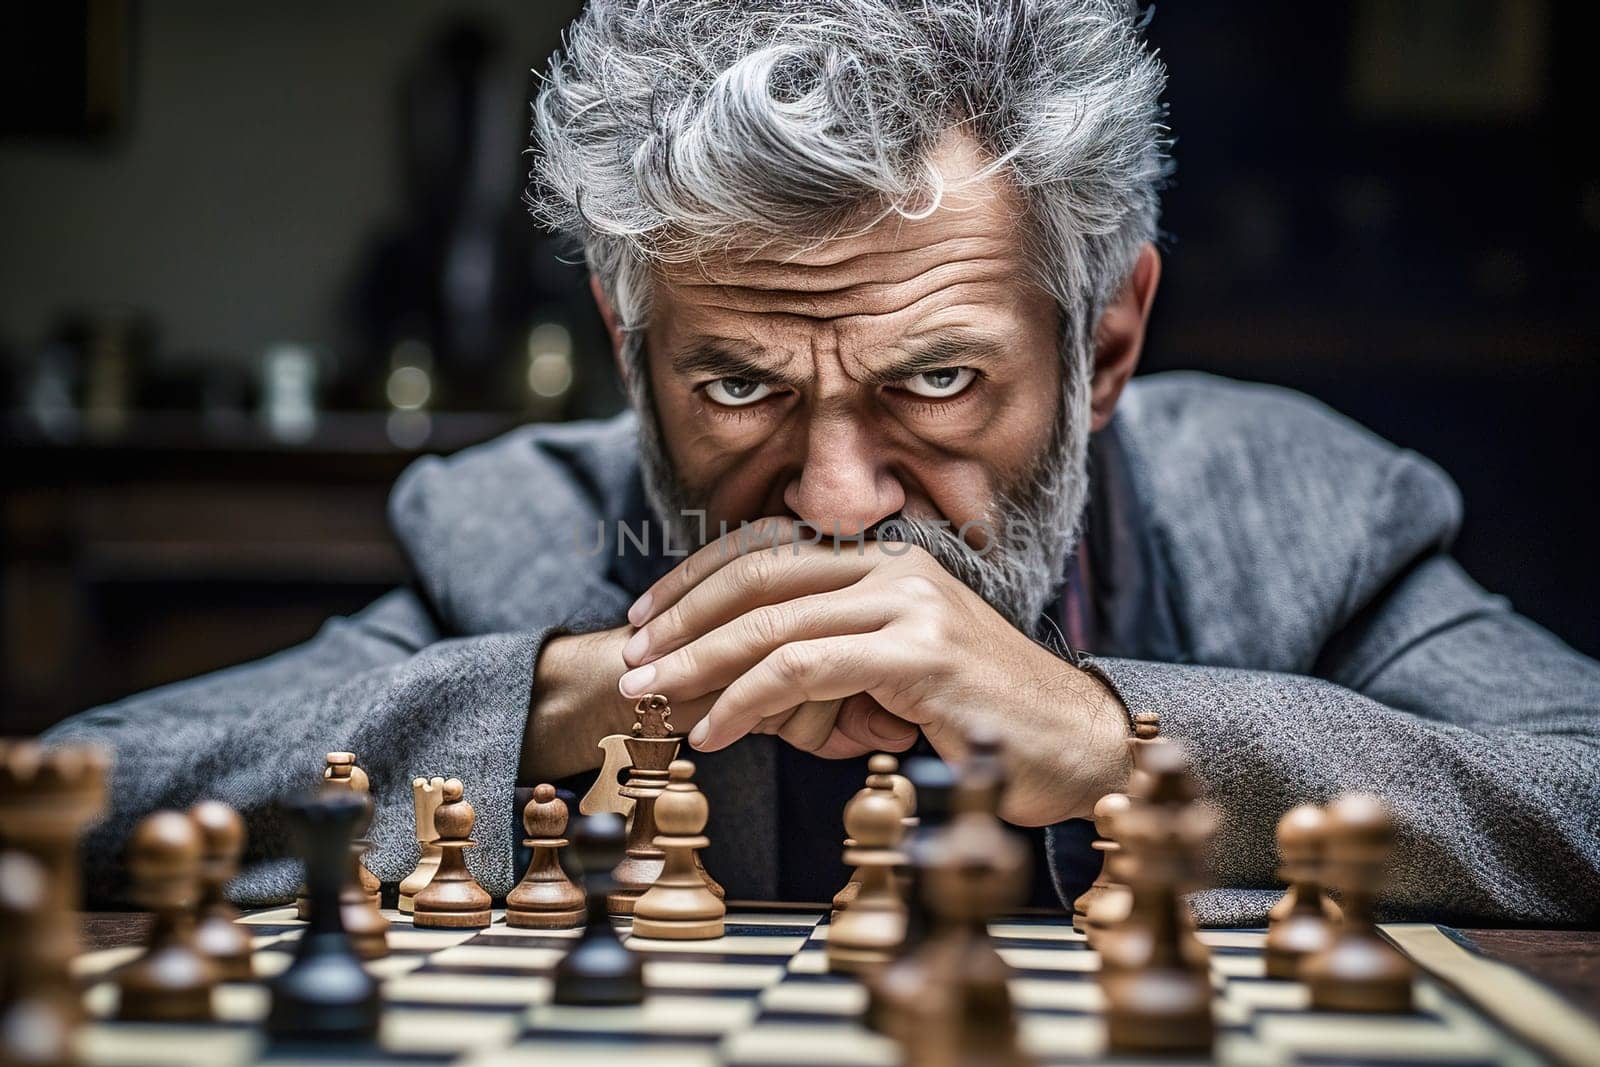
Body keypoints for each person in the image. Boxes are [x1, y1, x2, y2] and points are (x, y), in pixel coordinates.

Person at [47, 0, 1600, 925]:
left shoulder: (1307, 515)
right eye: (736, 383)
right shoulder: (509, 531)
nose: (837, 499)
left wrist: (1125, 741)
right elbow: (85, 792)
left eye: (937, 381)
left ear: (1108, 346)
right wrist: (563, 695)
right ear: (624, 343)